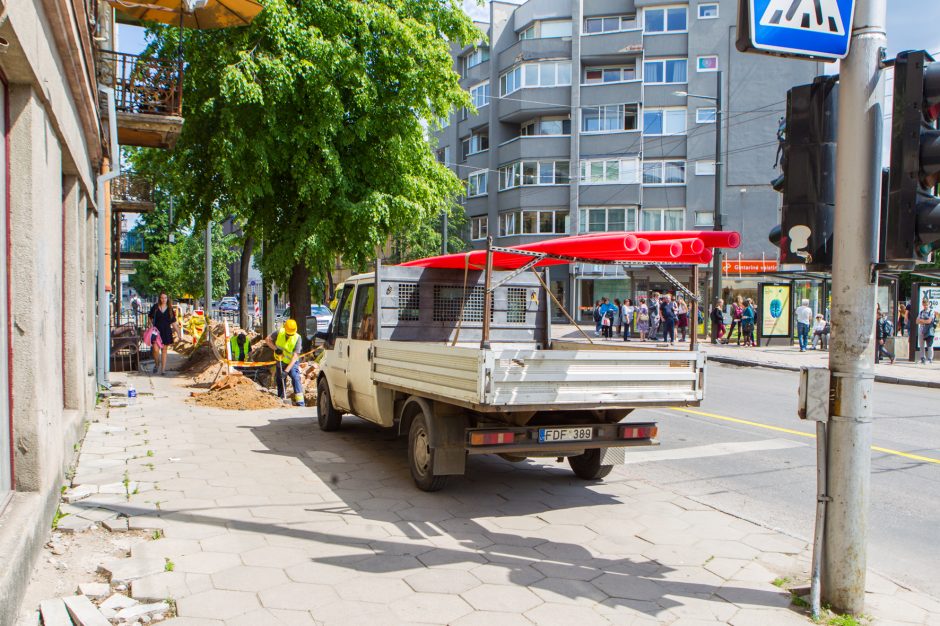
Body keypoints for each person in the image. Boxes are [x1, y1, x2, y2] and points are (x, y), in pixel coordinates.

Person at [264, 319, 305, 406]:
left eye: (291, 334)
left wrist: (286, 371)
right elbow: (267, 340)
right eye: (288, 333)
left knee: (295, 377)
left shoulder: (298, 338)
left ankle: (300, 402)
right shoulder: (279, 332)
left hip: (292, 363)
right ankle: (281, 399)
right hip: (280, 360)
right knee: (280, 379)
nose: (289, 335)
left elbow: (295, 357)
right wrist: (276, 349)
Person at [148, 292, 180, 375]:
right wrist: (151, 325)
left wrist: (179, 333)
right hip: (156, 332)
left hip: (166, 332)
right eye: (162, 298)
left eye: (165, 298)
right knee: (155, 349)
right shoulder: (155, 307)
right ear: (159, 298)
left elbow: (173, 323)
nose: (163, 299)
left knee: (164, 350)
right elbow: (150, 317)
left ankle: (163, 370)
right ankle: (157, 363)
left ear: (167, 299)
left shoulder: (170, 309)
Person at [916, 299, 936, 364]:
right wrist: (924, 320)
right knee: (921, 345)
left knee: (929, 345)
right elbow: (917, 321)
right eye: (924, 305)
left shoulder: (931, 312)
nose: (925, 306)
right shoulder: (921, 312)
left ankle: (930, 359)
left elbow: (929, 321)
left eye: (926, 305)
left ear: (929, 304)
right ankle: (922, 358)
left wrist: (921, 320)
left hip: (928, 330)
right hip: (921, 330)